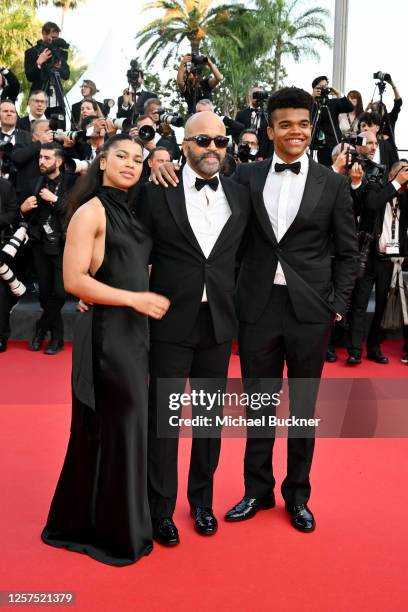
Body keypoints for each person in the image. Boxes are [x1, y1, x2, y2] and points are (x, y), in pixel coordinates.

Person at [149, 88, 359, 532]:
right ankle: (256, 490)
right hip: (256, 308)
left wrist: (337, 306)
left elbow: (349, 252)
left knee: (303, 408)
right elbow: (197, 171)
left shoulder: (333, 183)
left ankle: (297, 494)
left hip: (310, 312)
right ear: (270, 131)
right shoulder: (246, 179)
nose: (295, 131)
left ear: (311, 127)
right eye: (285, 124)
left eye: (302, 123)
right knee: (258, 407)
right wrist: (160, 157)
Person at [41, 134, 170, 566]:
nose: (131, 164)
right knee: (116, 427)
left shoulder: (130, 212)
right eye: (122, 156)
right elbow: (74, 281)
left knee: (124, 429)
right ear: (102, 159)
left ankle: (106, 523)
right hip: (105, 340)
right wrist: (133, 298)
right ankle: (112, 532)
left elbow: (130, 268)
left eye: (138, 159)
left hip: (132, 334)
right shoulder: (89, 211)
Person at [136, 111, 250, 546]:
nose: (212, 150)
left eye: (220, 142)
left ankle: (201, 501)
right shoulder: (155, 193)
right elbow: (127, 244)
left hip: (218, 322)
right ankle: (159, 509)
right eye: (203, 141)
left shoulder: (241, 194)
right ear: (183, 145)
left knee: (208, 418)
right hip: (168, 319)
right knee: (163, 419)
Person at [347, 160, 408, 365]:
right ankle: (354, 350)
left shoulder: (405, 196)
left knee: (382, 306)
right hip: (368, 256)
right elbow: (373, 203)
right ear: (392, 173)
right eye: (403, 171)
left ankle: (374, 347)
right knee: (359, 305)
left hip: (390, 260)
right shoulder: (375, 187)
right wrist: (396, 184)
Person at [24, 22, 70, 120]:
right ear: (44, 33)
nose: (54, 41)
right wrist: (39, 63)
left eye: (56, 38)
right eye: (52, 37)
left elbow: (66, 75)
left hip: (58, 103)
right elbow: (29, 77)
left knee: (59, 133)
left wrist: (59, 66)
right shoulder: (31, 52)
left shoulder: (60, 52)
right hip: (38, 101)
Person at [311, 75, 354, 166]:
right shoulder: (312, 104)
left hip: (334, 143)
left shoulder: (332, 103)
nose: (324, 89)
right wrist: (312, 98)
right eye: (321, 87)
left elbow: (349, 107)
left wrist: (338, 93)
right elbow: (308, 116)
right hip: (320, 146)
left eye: (326, 86)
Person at [0, 177, 19, 352]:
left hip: (2, 245)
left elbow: (13, 213)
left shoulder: (5, 186)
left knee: (1, 294)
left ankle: (1, 336)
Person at [236, 86, 273, 159]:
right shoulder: (241, 114)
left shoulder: (268, 115)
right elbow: (236, 133)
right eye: (256, 94)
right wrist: (243, 148)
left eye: (261, 94)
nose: (259, 96)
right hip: (246, 154)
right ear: (250, 96)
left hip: (265, 154)